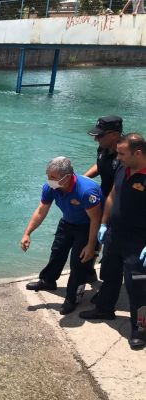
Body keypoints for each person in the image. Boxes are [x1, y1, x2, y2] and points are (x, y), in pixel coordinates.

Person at [79, 134, 146, 349]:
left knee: (138, 287)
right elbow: (112, 195)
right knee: (109, 273)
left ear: (138, 153)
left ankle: (140, 328)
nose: (117, 157)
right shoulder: (122, 167)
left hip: (138, 242)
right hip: (115, 235)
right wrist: (104, 224)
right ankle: (105, 309)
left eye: (121, 153)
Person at [21, 156, 103, 315]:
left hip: (87, 226)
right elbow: (41, 211)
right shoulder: (50, 187)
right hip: (67, 222)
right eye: (48, 176)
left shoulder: (86, 191)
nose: (49, 180)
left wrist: (91, 245)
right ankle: (48, 280)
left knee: (78, 262)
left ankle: (73, 297)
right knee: (57, 251)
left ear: (66, 177)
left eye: (52, 177)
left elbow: (96, 219)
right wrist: (27, 233)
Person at [83, 116, 123, 283]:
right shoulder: (103, 148)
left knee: (112, 247)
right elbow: (99, 166)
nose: (96, 139)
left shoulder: (126, 154)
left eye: (100, 136)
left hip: (120, 204)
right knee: (93, 236)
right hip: (102, 197)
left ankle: (108, 286)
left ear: (114, 135)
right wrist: (82, 180)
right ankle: (89, 270)